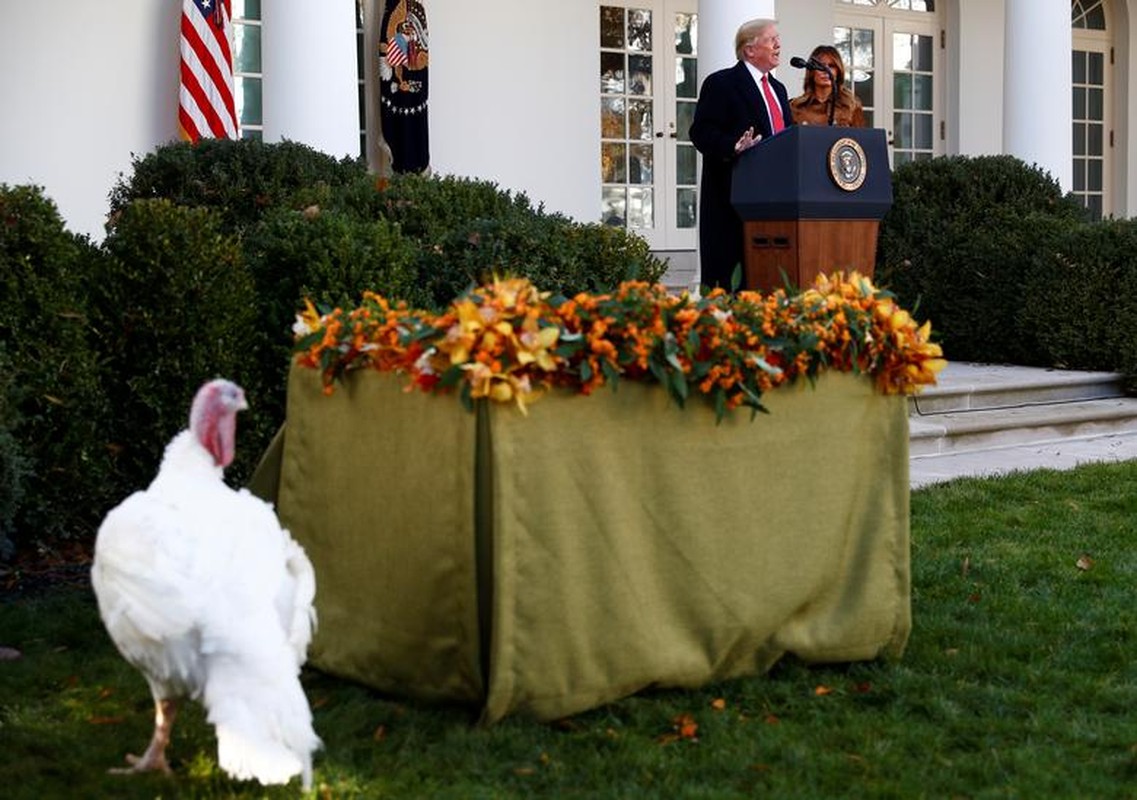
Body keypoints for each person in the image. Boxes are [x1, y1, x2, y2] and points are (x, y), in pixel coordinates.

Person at [689, 19, 794, 293]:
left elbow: (784, 137)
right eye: (772, 39)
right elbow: (701, 132)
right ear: (749, 49)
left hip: (775, 200)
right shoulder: (722, 83)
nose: (779, 44)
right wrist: (733, 146)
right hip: (733, 198)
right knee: (731, 286)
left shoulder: (778, 89)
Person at [789, 45, 866, 128]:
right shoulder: (795, 107)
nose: (826, 70)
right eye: (820, 65)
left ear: (838, 71)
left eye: (831, 66)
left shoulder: (852, 106)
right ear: (811, 71)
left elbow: (860, 139)